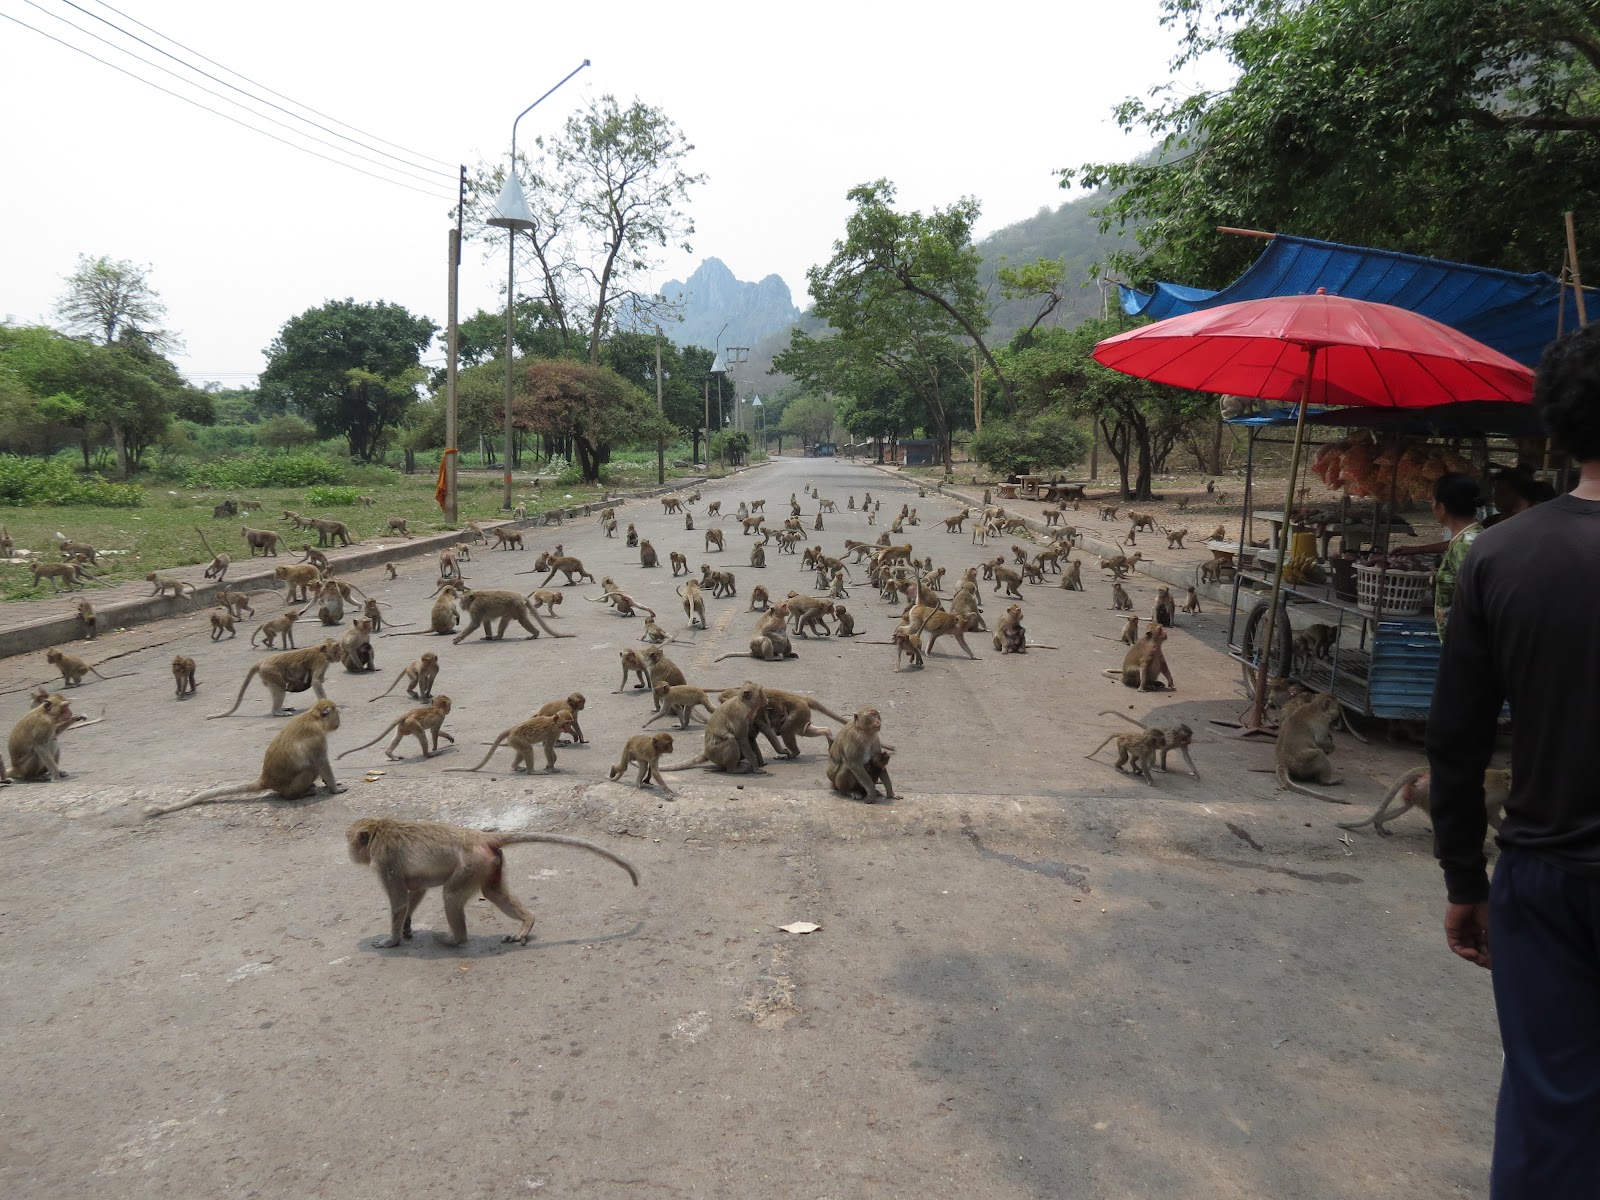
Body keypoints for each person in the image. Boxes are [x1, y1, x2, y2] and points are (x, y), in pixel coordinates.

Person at [1427, 322, 1600, 1197]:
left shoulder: (1499, 555)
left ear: (1558, 428)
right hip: (1549, 876)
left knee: (1550, 1111)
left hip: (1547, 881)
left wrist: (1465, 877)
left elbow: (1454, 740)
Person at [1391, 473, 1484, 630]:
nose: (1431, 505)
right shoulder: (1472, 537)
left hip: (1465, 641)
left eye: (1432, 500)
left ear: (1441, 507)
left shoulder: (1466, 546)